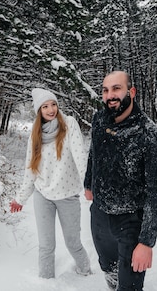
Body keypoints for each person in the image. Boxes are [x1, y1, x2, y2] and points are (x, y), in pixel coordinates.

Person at [84, 71, 157, 290]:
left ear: (131, 92)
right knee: (109, 270)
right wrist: (89, 183)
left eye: (116, 88)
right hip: (100, 216)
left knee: (129, 286)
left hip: (131, 222)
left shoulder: (149, 135)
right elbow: (94, 152)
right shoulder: (99, 120)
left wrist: (146, 242)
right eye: (105, 90)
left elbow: (156, 192)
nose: (110, 95)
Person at [10, 88, 92, 279]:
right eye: (45, 106)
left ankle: (86, 274)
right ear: (39, 110)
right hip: (43, 195)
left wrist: (88, 185)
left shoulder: (69, 124)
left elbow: (80, 156)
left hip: (67, 194)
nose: (50, 109)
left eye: (53, 104)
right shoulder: (36, 133)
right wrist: (20, 198)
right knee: (46, 245)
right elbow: (31, 168)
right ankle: (46, 282)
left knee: (73, 243)